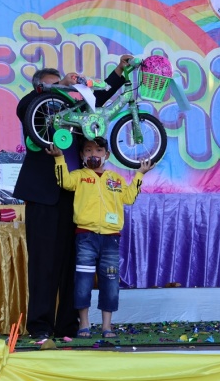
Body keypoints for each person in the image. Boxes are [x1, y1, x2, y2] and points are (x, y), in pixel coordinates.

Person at [13, 57, 131, 339]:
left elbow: (98, 99)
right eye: (52, 87)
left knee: (73, 264)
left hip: (77, 197)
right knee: (43, 264)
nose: (60, 92)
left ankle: (68, 324)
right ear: (40, 89)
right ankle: (40, 326)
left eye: (62, 87)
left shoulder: (73, 112)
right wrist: (57, 87)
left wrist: (118, 72)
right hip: (43, 197)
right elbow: (23, 106)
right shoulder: (34, 110)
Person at [49, 137, 151, 338]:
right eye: (88, 150)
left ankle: (106, 326)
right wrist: (59, 158)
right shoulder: (79, 176)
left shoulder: (116, 179)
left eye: (98, 150)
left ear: (107, 155)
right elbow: (64, 182)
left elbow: (129, 198)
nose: (93, 154)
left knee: (110, 281)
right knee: (83, 281)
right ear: (81, 155)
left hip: (111, 239)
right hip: (86, 237)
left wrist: (140, 174)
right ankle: (84, 324)